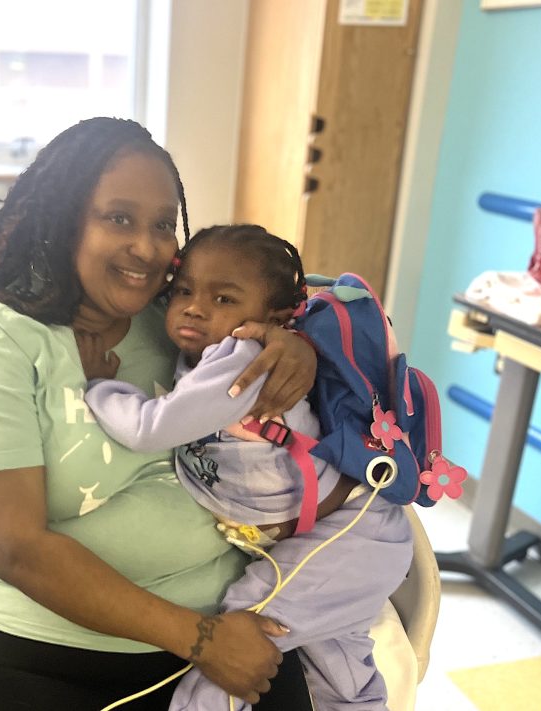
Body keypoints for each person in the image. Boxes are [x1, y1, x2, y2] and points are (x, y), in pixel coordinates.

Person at [0, 118, 319, 710]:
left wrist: (297, 345)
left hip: (232, 617)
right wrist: (202, 640)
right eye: (119, 218)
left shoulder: (179, 316)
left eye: (164, 225)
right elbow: (18, 550)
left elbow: (299, 292)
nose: (147, 247)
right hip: (43, 646)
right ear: (64, 223)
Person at [80, 224, 414, 710]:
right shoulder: (201, 354)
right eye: (185, 292)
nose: (195, 307)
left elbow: (150, 428)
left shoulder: (244, 359)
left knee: (242, 628)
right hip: (327, 539)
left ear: (272, 320)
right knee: (341, 672)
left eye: (224, 300)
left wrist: (97, 385)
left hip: (351, 532)